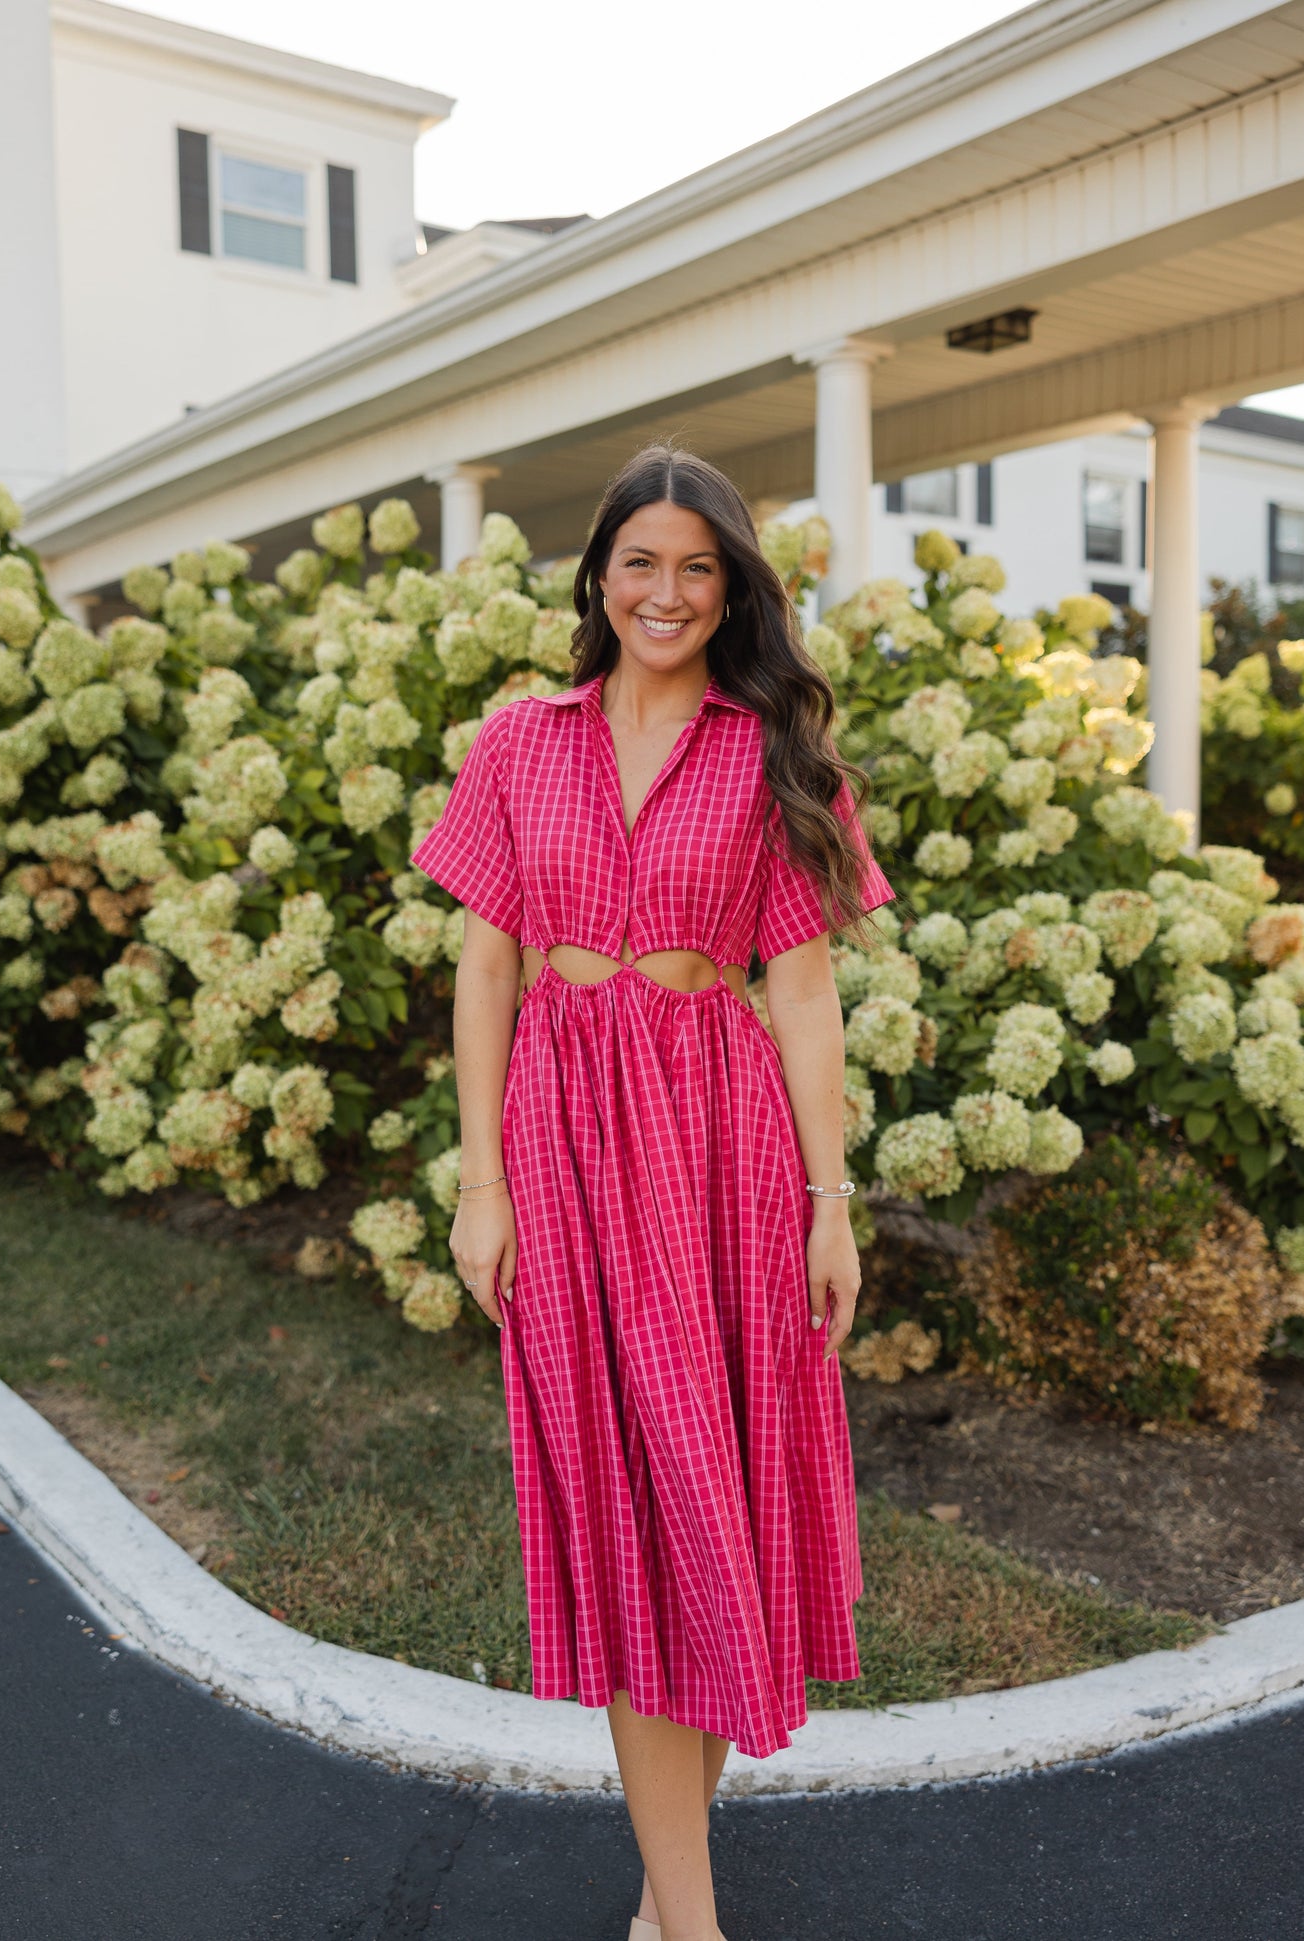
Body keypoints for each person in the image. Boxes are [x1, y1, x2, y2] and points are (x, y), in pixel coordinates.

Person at [410, 443, 894, 1941]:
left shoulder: (776, 753)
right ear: (597, 576)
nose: (666, 592)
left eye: (697, 566)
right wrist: (481, 1184)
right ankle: (688, 1921)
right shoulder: (518, 740)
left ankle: (666, 1893)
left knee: (710, 1502)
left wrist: (830, 1199)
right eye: (640, 562)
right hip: (560, 1134)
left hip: (718, 1141)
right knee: (624, 1502)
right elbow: (484, 964)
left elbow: (803, 992)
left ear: (730, 583)